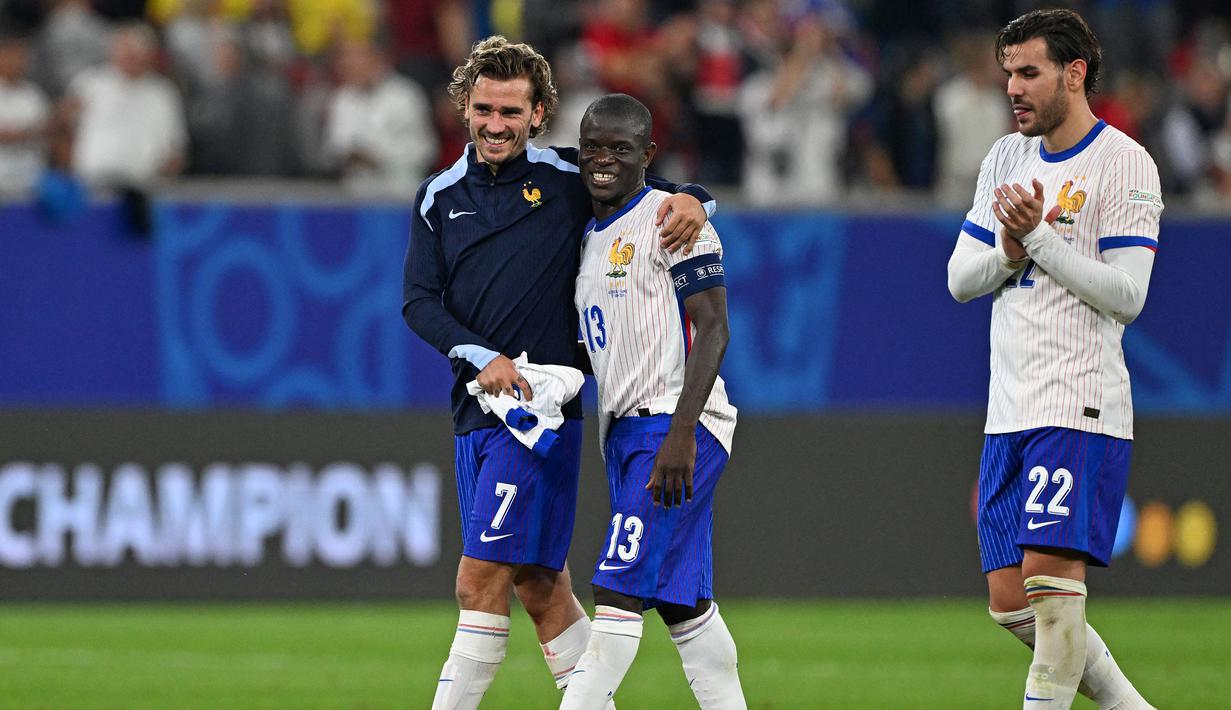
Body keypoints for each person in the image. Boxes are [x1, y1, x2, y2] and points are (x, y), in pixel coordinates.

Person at [402, 36, 715, 709]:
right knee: (540, 587)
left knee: (478, 579)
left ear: (538, 113)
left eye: (511, 112)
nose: (495, 124)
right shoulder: (437, 198)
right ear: (463, 107)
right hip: (475, 409)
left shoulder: (568, 178)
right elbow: (418, 302)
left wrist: (694, 197)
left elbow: (642, 188)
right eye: (484, 108)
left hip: (540, 415)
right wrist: (477, 355)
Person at [947, 10, 1159, 710]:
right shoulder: (1005, 159)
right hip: (1007, 404)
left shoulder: (1123, 163)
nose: (1012, 87)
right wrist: (1010, 249)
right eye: (1007, 72)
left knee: (1050, 588)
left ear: (1073, 74)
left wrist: (1037, 238)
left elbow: (1127, 296)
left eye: (1028, 72)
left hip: (1078, 401)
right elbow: (959, 279)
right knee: (1010, 604)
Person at [559, 93, 744, 710]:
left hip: (674, 427)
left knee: (617, 592)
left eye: (620, 149)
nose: (603, 161)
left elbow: (714, 327)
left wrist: (681, 433)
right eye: (592, 148)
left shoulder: (673, 218)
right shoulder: (587, 235)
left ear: (648, 155)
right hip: (625, 434)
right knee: (682, 603)